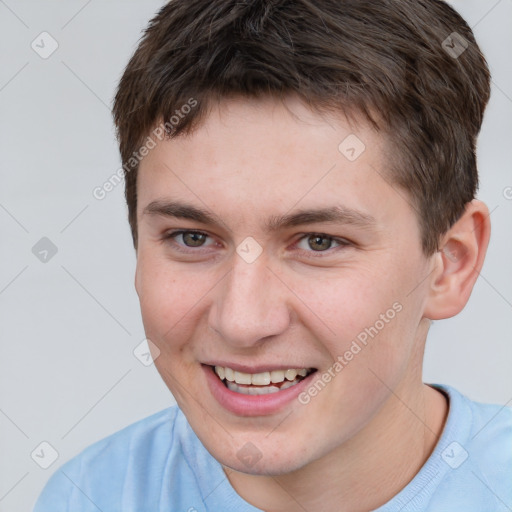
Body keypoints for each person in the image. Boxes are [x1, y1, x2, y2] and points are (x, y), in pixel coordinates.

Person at [34, 0, 511, 511]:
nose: (242, 322)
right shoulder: (89, 496)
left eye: (319, 242)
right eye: (192, 237)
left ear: (450, 264)